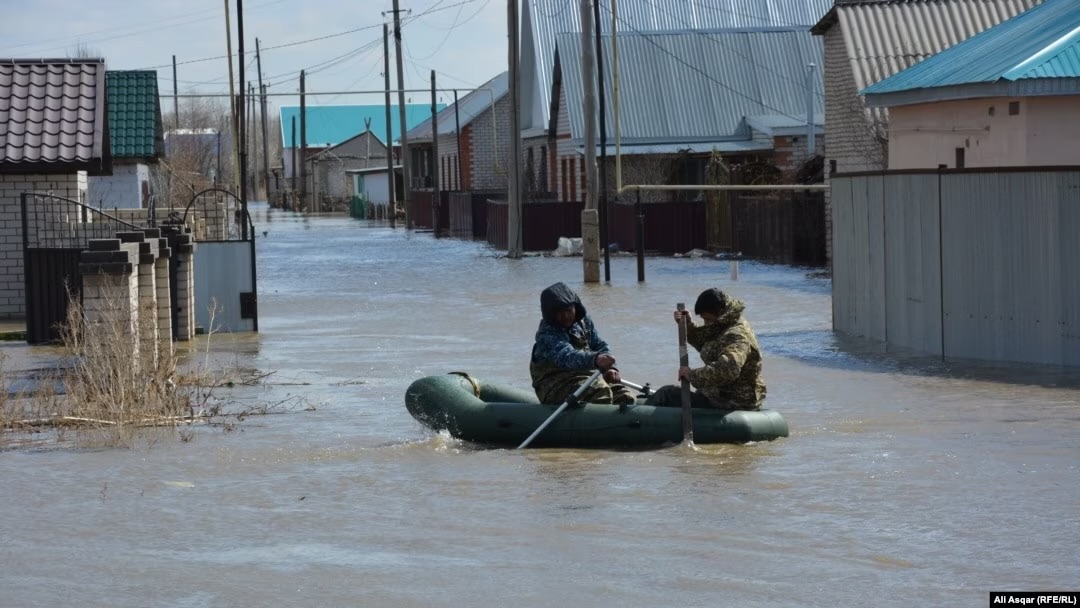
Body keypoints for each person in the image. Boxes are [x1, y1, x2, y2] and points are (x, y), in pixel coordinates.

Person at [646, 288, 767, 411]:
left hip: (733, 400)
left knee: (667, 394)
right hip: (719, 393)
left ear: (720, 313)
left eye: (708, 319)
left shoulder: (736, 335)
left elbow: (728, 369)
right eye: (704, 319)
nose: (706, 324)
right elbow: (710, 347)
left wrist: (692, 375)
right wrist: (688, 325)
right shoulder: (726, 323)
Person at [530, 282, 637, 407]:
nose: (565, 316)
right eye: (559, 312)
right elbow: (566, 356)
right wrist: (596, 359)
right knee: (600, 391)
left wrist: (611, 368)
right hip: (556, 385)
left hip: (587, 378)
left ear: (576, 307)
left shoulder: (583, 322)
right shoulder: (546, 334)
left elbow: (599, 345)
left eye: (569, 310)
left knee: (626, 396)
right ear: (550, 314)